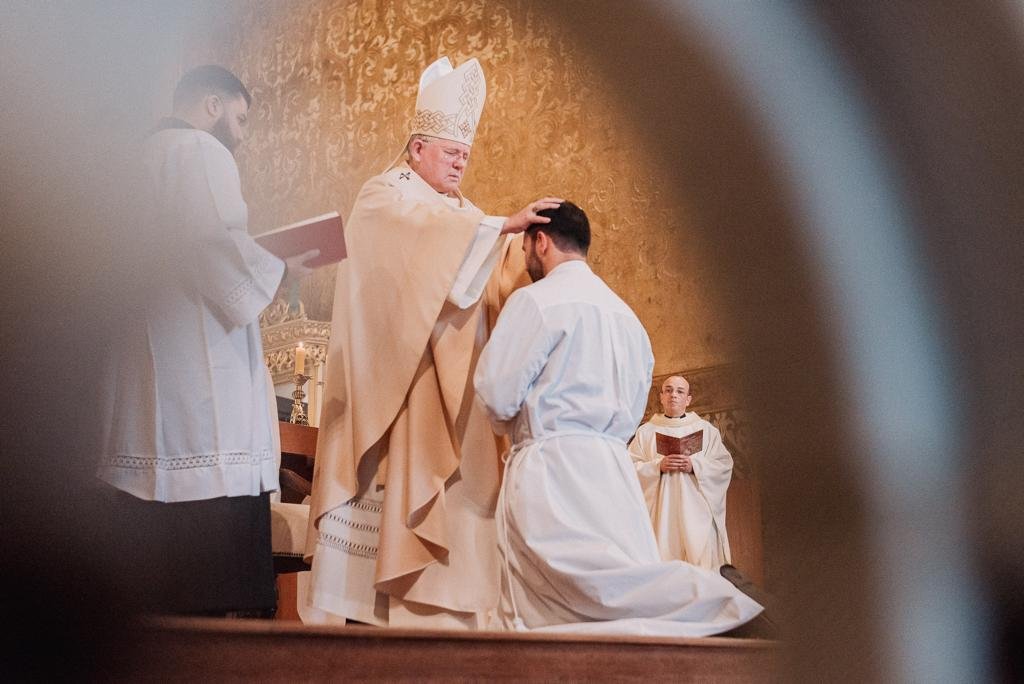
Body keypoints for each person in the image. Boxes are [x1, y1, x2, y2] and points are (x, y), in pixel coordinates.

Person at [304, 56, 560, 629]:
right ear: (417, 148)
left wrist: (533, 255)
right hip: (396, 389)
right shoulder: (383, 195)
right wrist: (500, 226)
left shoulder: (467, 214)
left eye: (465, 154)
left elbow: (486, 284)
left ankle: (442, 621)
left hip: (453, 390)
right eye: (451, 153)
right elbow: (411, 251)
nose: (461, 162)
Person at [472, 201, 764, 636]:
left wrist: (514, 430)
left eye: (526, 248)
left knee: (582, 591)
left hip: (553, 467)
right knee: (614, 592)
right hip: (613, 472)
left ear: (541, 241)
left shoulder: (534, 301)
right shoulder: (628, 318)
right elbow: (633, 409)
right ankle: (718, 608)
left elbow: (496, 394)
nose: (525, 259)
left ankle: (723, 603)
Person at [96, 65, 319, 616]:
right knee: (215, 599)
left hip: (144, 386)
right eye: (239, 119)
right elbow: (215, 244)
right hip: (200, 398)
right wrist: (281, 269)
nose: (240, 136)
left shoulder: (132, 160)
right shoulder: (197, 150)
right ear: (212, 105)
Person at [628, 375, 734, 571]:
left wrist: (695, 465)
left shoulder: (706, 430)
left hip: (698, 514)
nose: (673, 395)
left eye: (680, 391)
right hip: (661, 516)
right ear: (661, 397)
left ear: (688, 399)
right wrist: (657, 467)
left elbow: (723, 465)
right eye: (668, 390)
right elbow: (628, 469)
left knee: (701, 569)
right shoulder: (646, 433)